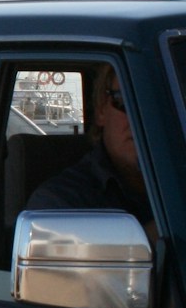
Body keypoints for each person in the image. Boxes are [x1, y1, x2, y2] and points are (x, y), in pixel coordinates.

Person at [25, 67, 153, 230]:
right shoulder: (60, 203)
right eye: (126, 102)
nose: (142, 118)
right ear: (101, 110)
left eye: (159, 107)